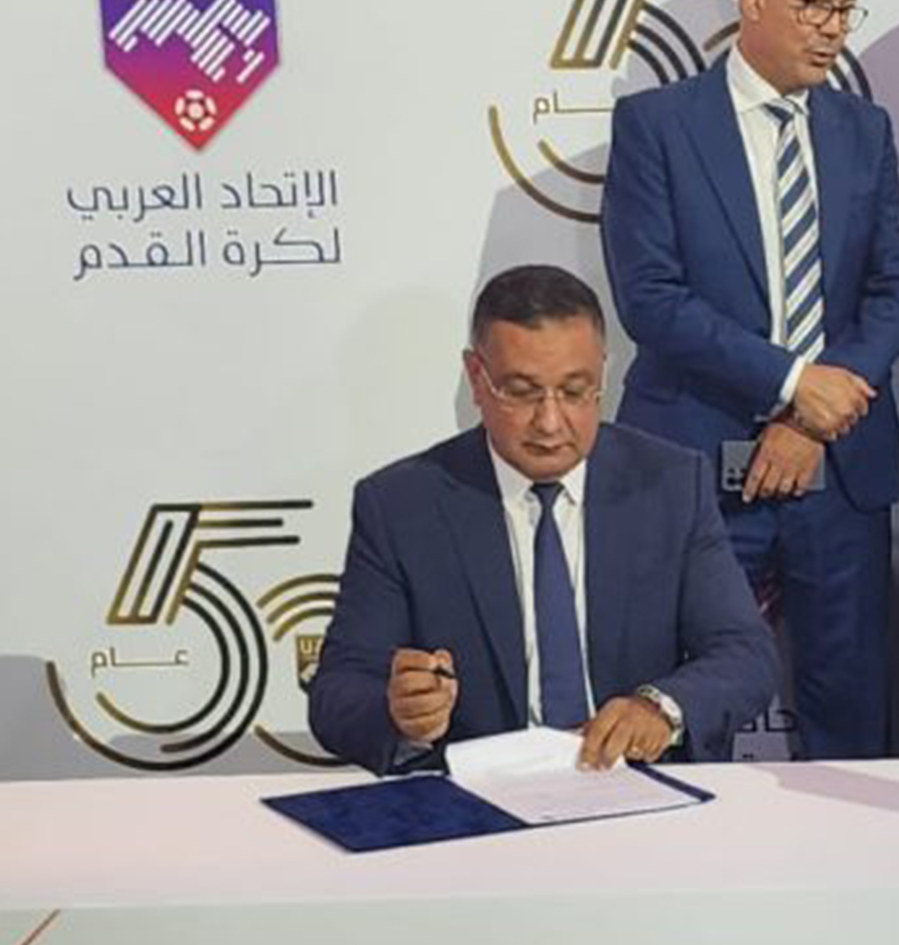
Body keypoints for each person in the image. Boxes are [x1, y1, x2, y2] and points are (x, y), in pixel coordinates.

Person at [600, 0, 899, 759]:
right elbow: (651, 298)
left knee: (853, 718)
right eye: (814, 3)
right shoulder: (657, 125)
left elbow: (896, 293)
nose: (832, 29)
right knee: (680, 711)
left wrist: (814, 414)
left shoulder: (864, 130)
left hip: (839, 470)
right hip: (700, 462)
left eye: (845, 9)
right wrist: (792, 383)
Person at [309, 266, 777, 774]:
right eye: (522, 392)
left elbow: (744, 654)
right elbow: (338, 691)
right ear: (476, 378)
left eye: (575, 391)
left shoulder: (672, 484)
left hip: (635, 785)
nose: (551, 422)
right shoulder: (401, 505)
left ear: (602, 374)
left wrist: (660, 709)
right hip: (473, 796)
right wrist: (399, 713)